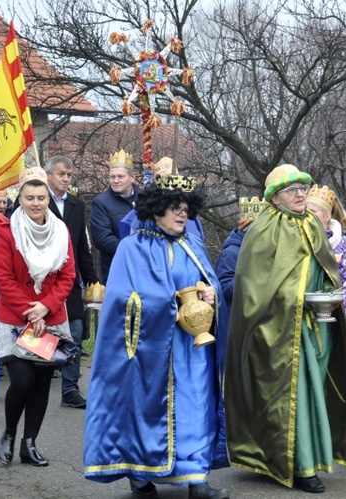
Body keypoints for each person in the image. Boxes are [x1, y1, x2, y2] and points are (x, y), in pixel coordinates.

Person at [84, 172, 229, 499]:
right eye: (175, 207)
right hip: (148, 352)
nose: (182, 214)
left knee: (196, 408)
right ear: (156, 209)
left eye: (186, 208)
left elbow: (211, 283)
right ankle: (140, 474)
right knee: (145, 412)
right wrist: (171, 302)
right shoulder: (131, 248)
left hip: (192, 351)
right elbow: (123, 300)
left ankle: (196, 478)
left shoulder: (193, 244)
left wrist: (209, 295)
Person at [225, 164, 346, 494]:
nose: (300, 194)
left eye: (303, 189)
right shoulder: (264, 229)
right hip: (276, 328)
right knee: (288, 395)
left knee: (313, 391)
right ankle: (299, 466)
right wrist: (295, 299)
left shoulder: (312, 226)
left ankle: (309, 457)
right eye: (293, 190)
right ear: (275, 196)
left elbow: (328, 270)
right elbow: (254, 284)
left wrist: (330, 297)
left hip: (315, 326)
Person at [0, 166, 76, 467]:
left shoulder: (60, 230)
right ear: (21, 198)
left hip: (50, 317)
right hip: (16, 318)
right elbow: (3, 279)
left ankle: (30, 444)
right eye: (30, 197)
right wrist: (32, 310)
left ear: (48, 199)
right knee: (23, 380)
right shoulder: (6, 232)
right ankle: (10, 432)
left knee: (42, 381)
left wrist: (47, 307)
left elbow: (68, 275)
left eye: (41, 197)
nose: (36, 203)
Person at [42, 155, 99, 409]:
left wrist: (91, 280)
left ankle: (70, 388)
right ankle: (39, 384)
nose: (65, 179)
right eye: (61, 174)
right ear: (48, 175)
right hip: (44, 281)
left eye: (69, 175)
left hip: (71, 280)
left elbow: (80, 247)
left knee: (75, 332)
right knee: (46, 335)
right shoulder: (37, 202)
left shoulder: (76, 205)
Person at [306, 185, 346, 320]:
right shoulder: (299, 240)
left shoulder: (341, 244)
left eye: (313, 212)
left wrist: (342, 313)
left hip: (334, 315)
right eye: (305, 211)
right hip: (304, 314)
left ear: (327, 216)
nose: (309, 216)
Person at [118, 157, 205, 241]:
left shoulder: (193, 242)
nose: (183, 214)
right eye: (176, 208)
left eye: (185, 210)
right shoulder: (135, 243)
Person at [89, 149, 139, 283]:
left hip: (144, 268)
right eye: (112, 177)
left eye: (120, 176)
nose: (115, 181)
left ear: (132, 177)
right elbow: (103, 239)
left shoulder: (146, 199)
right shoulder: (100, 203)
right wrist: (134, 251)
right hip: (116, 268)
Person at [215, 196, 264, 311]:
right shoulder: (230, 253)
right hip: (238, 318)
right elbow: (223, 290)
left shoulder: (262, 250)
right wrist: (251, 275)